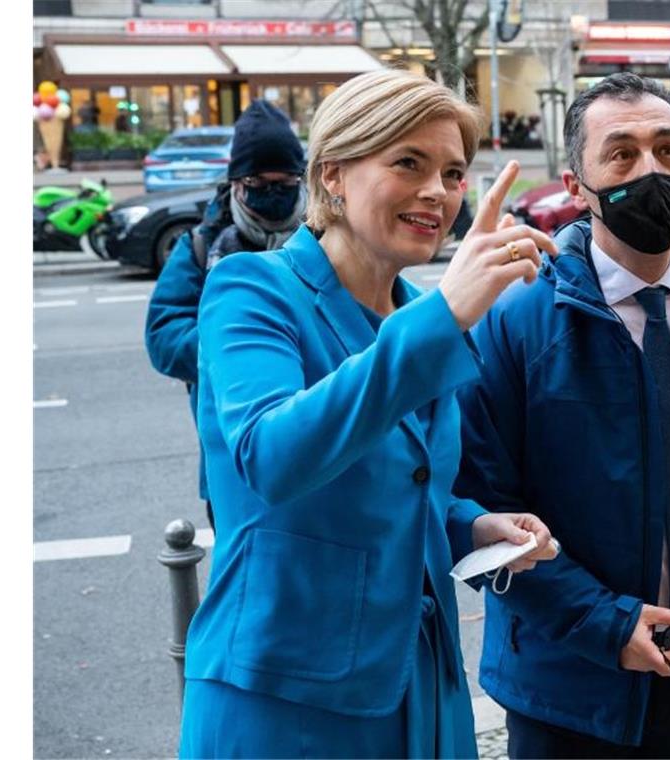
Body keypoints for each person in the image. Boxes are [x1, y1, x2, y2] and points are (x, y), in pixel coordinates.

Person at [177, 69, 560, 758]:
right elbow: (272, 456)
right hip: (284, 696)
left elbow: (405, 483)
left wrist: (474, 526)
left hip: (418, 683)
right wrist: (446, 314)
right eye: (407, 162)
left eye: (452, 172)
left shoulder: (418, 314)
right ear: (333, 176)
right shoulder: (251, 290)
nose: (437, 192)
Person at [454, 72, 670, 758]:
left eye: (666, 150)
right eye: (621, 154)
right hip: (570, 691)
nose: (650, 170)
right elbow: (476, 504)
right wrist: (604, 625)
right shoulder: (513, 323)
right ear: (573, 185)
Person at [144, 99, 308, 531]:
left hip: (319, 443)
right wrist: (246, 344)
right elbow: (163, 335)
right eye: (258, 181)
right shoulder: (201, 246)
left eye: (286, 180)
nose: (273, 191)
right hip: (229, 452)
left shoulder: (327, 237)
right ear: (236, 183)